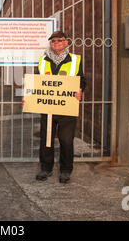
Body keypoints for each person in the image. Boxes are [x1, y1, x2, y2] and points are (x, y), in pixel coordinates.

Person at [34, 31, 86, 183]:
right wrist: (30, 98)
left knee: (66, 140)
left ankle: (65, 170)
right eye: (53, 41)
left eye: (59, 40)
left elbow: (81, 80)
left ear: (66, 43)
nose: (56, 43)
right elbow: (37, 82)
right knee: (46, 140)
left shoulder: (75, 60)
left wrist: (80, 90)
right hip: (48, 107)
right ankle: (45, 168)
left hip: (66, 108)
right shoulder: (43, 60)